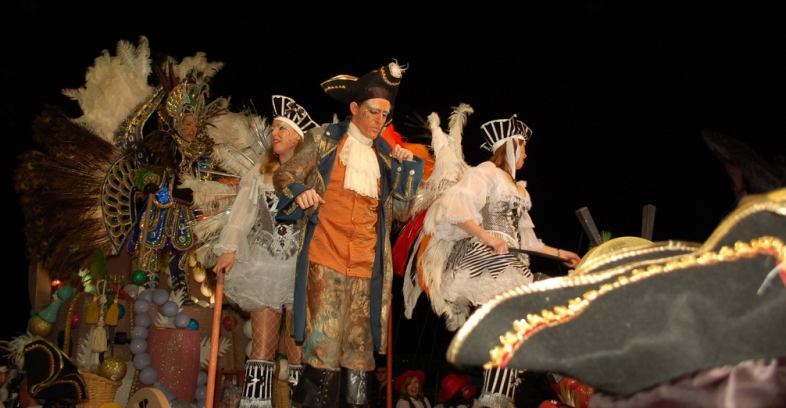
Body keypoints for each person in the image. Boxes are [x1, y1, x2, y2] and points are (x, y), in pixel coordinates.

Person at [273, 62, 424, 408]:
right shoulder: (324, 139)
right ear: (354, 109)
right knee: (323, 344)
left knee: (358, 352)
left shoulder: (386, 158)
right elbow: (285, 174)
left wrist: (406, 169)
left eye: (385, 114)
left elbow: (401, 211)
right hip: (325, 258)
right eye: (373, 112)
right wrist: (300, 191)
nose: (379, 121)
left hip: (366, 268)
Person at [418, 114, 580, 407]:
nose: (526, 154)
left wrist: (561, 254)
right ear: (511, 147)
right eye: (523, 147)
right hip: (487, 261)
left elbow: (529, 243)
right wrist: (488, 237)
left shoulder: (519, 189)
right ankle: (494, 398)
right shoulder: (487, 172)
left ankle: (498, 396)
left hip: (511, 262)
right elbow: (457, 208)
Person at [212, 95, 318, 408]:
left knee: (299, 345)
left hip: (299, 269)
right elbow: (241, 216)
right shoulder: (258, 178)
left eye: (283, 128)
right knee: (262, 346)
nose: (275, 133)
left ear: (297, 138)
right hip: (262, 267)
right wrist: (229, 249)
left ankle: (301, 403)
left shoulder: (312, 179)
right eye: (273, 127)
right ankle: (254, 405)